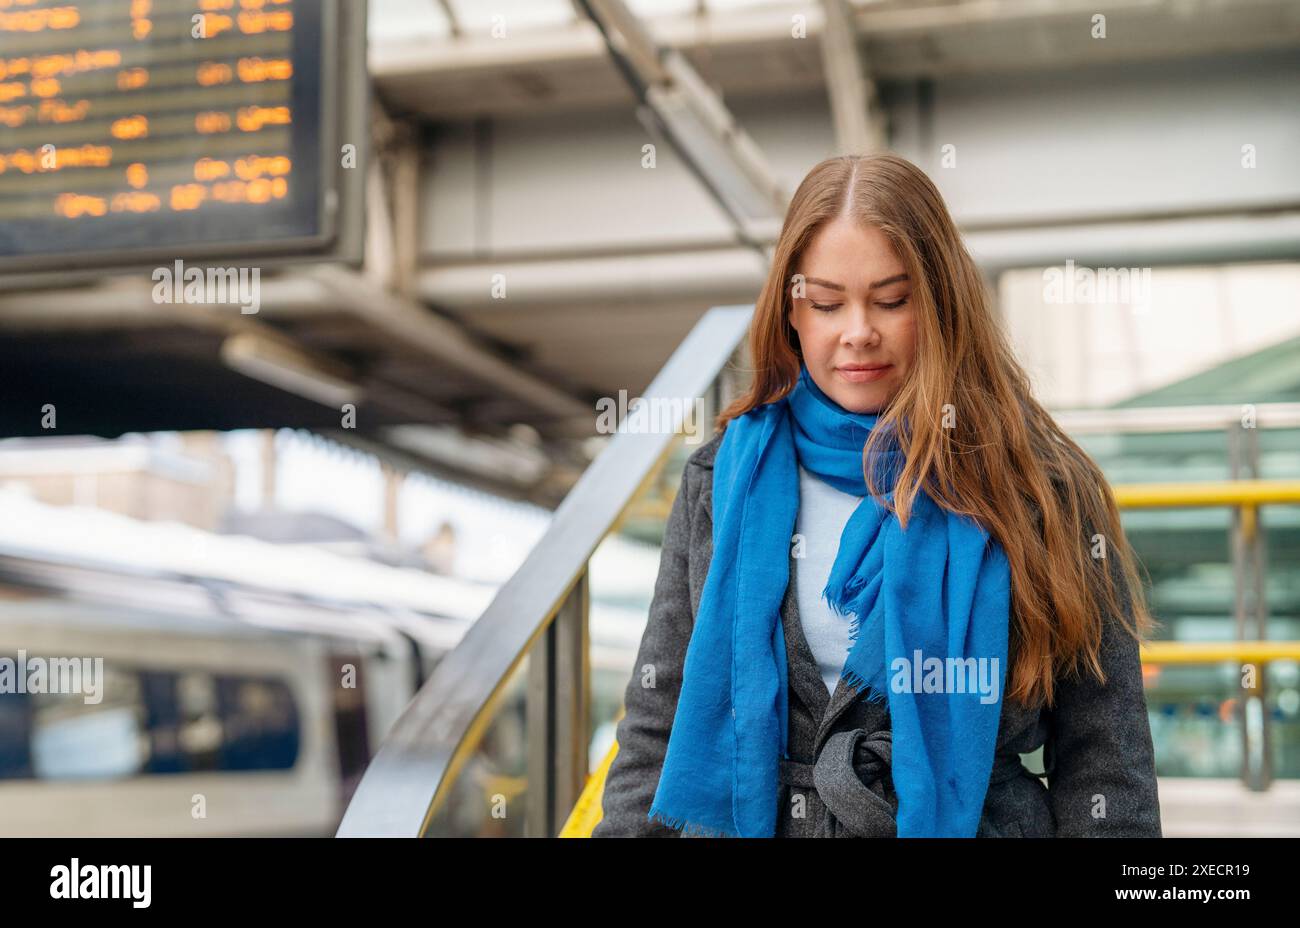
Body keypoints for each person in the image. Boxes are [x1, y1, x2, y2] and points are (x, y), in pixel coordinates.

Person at [592, 152, 1162, 838]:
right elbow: (659, 723)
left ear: (943, 306)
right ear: (791, 312)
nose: (858, 330)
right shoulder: (721, 481)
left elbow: (1106, 762)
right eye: (827, 303)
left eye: (893, 300)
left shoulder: (1042, 488)